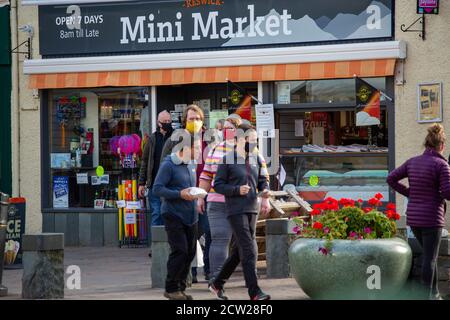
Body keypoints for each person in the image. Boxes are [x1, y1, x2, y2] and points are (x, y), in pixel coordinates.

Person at [387, 123, 450, 300]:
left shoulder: (412, 162)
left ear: (426, 144)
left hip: (414, 219)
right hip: (432, 219)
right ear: (442, 146)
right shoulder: (442, 165)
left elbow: (391, 178)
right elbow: (447, 193)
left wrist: (410, 193)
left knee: (431, 257)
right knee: (429, 259)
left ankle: (435, 294)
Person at [210, 123, 272, 301]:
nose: (253, 143)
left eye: (255, 140)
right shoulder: (226, 159)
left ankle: (217, 284)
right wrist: (237, 190)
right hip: (235, 209)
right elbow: (218, 185)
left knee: (239, 251)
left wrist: (265, 190)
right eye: (250, 140)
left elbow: (262, 180)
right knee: (249, 248)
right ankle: (254, 292)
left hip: (253, 207)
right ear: (238, 139)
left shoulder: (255, 158)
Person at [161, 104, 211, 280]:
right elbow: (164, 167)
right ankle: (189, 276)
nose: (195, 122)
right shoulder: (175, 139)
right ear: (185, 120)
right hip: (181, 198)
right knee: (187, 242)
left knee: (207, 234)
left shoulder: (210, 138)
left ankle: (209, 273)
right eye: (191, 119)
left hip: (204, 194)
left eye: (198, 118)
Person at [152, 134, 200, 300]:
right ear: (186, 148)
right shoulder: (168, 164)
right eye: (198, 147)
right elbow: (157, 189)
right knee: (180, 251)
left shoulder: (190, 164)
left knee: (190, 253)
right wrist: (179, 194)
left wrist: (196, 194)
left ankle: (180, 287)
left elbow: (188, 187)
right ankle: (171, 288)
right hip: (173, 214)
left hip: (191, 215)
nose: (200, 150)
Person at [197, 116, 241, 285]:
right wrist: (201, 197)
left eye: (230, 129)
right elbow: (206, 175)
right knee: (220, 239)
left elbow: (260, 175)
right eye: (224, 129)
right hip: (217, 202)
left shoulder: (250, 150)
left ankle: (250, 277)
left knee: (245, 242)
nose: (226, 132)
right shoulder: (215, 150)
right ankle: (217, 278)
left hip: (240, 203)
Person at [138, 110, 173, 256]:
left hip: (171, 185)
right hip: (154, 184)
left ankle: (170, 245)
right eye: (164, 121)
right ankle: (157, 246)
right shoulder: (152, 139)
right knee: (157, 214)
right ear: (158, 123)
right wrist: (141, 182)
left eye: (169, 121)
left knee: (170, 214)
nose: (167, 124)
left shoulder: (176, 137)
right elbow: (145, 161)